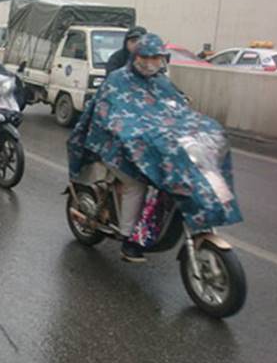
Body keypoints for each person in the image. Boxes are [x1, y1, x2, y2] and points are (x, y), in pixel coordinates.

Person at [68, 34, 243, 262]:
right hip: (116, 145)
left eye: (157, 57)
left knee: (195, 171)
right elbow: (111, 116)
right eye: (146, 57)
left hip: (153, 145)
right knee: (137, 184)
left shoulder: (161, 82)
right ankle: (128, 238)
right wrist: (135, 134)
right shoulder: (117, 80)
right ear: (136, 56)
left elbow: (178, 108)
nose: (151, 62)